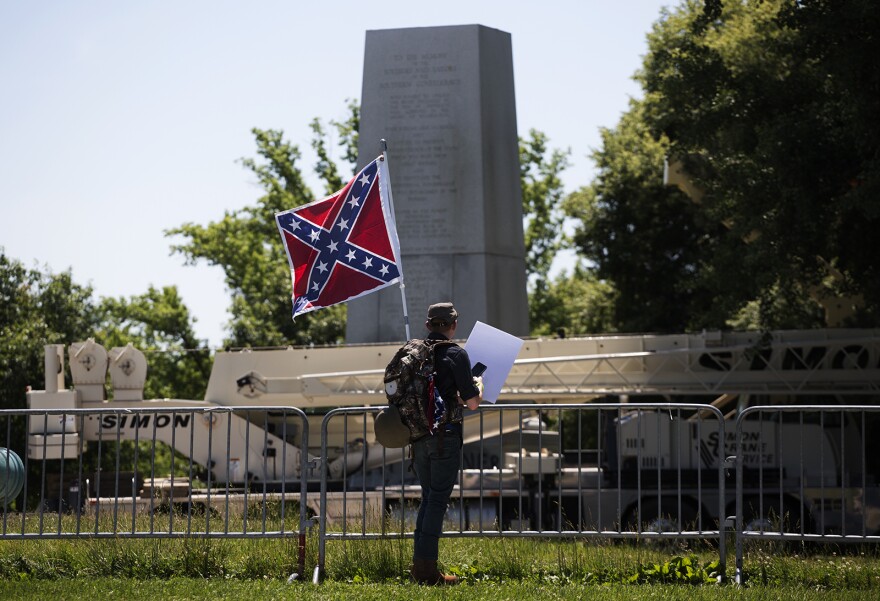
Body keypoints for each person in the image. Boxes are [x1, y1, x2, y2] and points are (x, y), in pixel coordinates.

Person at [410, 301, 482, 586]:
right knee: (437, 501)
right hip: (445, 437)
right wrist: (475, 387)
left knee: (428, 500)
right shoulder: (455, 354)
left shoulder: (414, 352)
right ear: (453, 326)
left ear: (428, 326)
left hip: (418, 438)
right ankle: (427, 573)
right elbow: (473, 403)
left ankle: (420, 566)